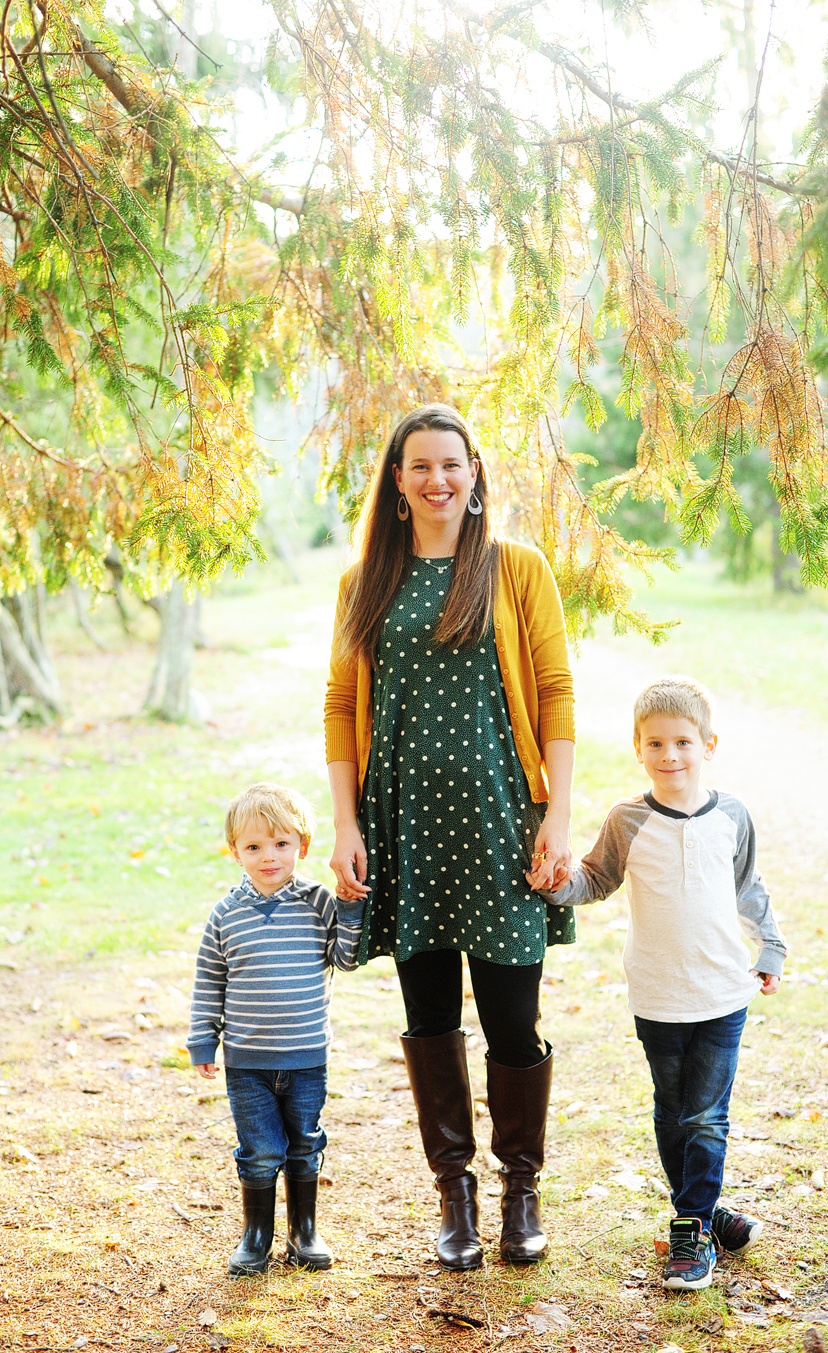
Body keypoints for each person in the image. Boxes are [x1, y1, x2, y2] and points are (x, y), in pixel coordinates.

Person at [324, 403, 577, 1270]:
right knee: (428, 1016)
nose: (438, 479)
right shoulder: (365, 581)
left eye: (453, 465)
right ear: (397, 482)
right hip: (405, 831)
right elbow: (340, 705)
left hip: (504, 825)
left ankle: (521, 1192)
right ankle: (455, 1198)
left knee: (514, 1017)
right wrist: (347, 822)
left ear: (475, 477)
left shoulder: (515, 568)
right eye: (420, 465)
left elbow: (556, 693)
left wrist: (560, 815)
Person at [542, 675, 786, 1290]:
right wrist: (557, 884)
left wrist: (773, 947)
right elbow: (594, 880)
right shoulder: (627, 821)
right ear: (637, 747)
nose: (669, 755)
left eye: (681, 742)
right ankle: (704, 1216)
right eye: (655, 744)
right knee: (673, 1114)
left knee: (706, 1117)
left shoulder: (732, 815)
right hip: (657, 994)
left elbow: (747, 886)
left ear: (708, 745)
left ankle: (690, 1232)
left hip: (723, 992)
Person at [187, 782, 364, 1275]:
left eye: (281, 844)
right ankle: (257, 1235)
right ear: (235, 852)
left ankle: (303, 1232)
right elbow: (209, 981)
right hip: (248, 1062)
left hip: (307, 1056)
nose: (269, 856)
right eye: (254, 846)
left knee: (305, 1143)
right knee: (261, 1150)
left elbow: (345, 959)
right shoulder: (226, 915)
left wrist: (350, 907)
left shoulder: (317, 903)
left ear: (302, 846)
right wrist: (204, 1037)